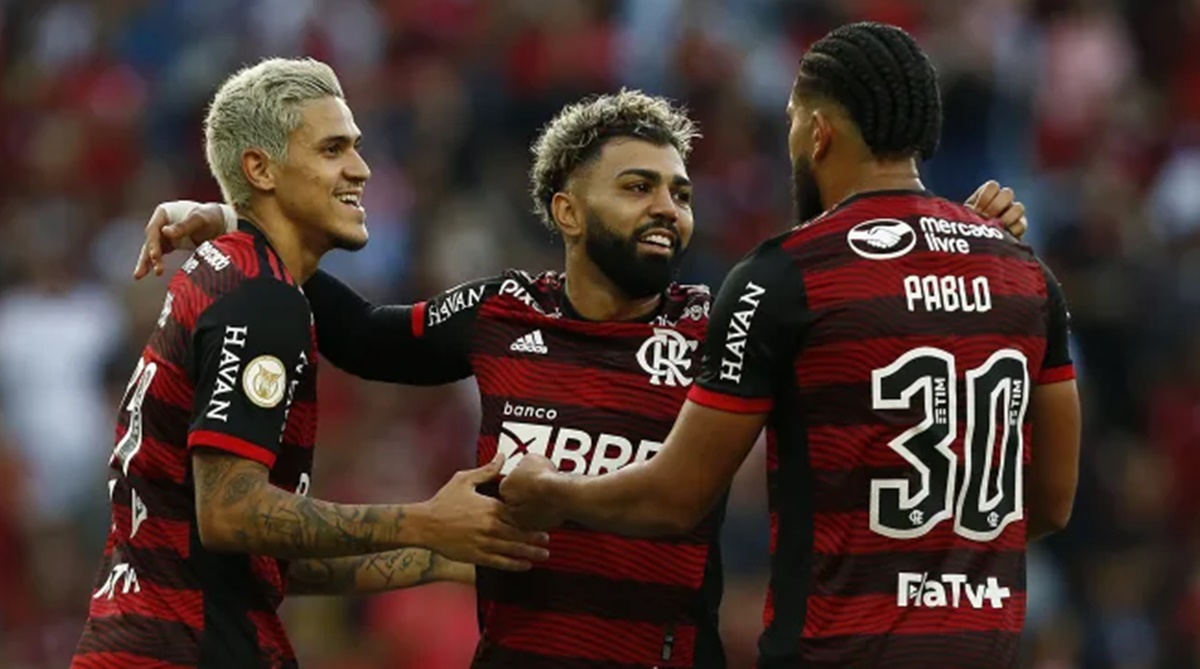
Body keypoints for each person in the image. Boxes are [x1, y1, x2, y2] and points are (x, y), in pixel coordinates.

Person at [134, 90, 1030, 668]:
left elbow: (872, 343)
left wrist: (949, 234)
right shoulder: (501, 310)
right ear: (567, 209)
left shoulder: (722, 322)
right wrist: (238, 216)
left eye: (679, 193)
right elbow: (362, 332)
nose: (667, 211)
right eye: (638, 187)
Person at [500, 22, 1080, 669]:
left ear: (819, 132)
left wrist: (553, 491)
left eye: (791, 122)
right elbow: (1052, 500)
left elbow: (673, 497)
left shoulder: (783, 276)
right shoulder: (1026, 275)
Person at [71, 57, 548, 669]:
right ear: (260, 169)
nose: (361, 169)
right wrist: (422, 521)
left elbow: (266, 551)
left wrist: (445, 553)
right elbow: (232, 513)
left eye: (355, 146)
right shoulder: (262, 300)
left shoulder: (234, 272)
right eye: (332, 150)